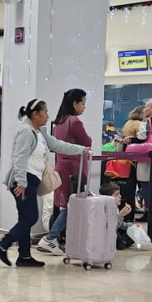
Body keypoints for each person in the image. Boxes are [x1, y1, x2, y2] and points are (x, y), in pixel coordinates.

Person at [0, 98, 90, 268]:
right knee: (31, 217)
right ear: (35, 114)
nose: (47, 115)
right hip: (23, 180)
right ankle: (3, 245)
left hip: (30, 179)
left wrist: (81, 149)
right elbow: (20, 157)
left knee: (25, 217)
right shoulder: (26, 131)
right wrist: (22, 183)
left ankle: (24, 256)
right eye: (45, 112)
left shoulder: (39, 132)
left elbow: (57, 145)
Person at [37, 89, 93, 255]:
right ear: (74, 103)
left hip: (63, 166)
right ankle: (50, 237)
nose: (84, 107)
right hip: (73, 168)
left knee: (68, 204)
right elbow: (86, 142)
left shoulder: (60, 121)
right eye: (82, 103)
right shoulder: (74, 121)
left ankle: (59, 238)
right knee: (73, 205)